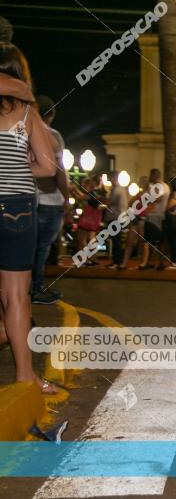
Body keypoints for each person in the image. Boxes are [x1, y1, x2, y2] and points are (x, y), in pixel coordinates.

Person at [0, 44, 59, 394]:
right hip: (17, 206)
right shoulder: (26, 111)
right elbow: (49, 166)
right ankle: (25, 375)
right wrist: (21, 169)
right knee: (17, 296)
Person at [31, 95, 69, 304]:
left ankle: (26, 287)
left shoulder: (24, 133)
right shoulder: (52, 135)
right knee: (42, 248)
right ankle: (36, 288)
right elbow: (58, 171)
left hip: (28, 198)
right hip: (49, 201)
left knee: (29, 247)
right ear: (51, 115)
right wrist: (67, 197)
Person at [139, 168, 170, 270]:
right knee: (153, 241)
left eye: (151, 175)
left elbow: (158, 198)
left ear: (155, 176)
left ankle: (152, 261)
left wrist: (148, 198)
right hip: (156, 215)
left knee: (150, 241)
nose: (150, 178)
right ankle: (152, 261)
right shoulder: (163, 186)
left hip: (156, 216)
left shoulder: (160, 187)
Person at [121, 177, 149, 269]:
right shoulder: (138, 194)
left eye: (143, 182)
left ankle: (143, 262)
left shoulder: (148, 194)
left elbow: (145, 206)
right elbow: (130, 203)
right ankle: (124, 263)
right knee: (129, 241)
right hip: (135, 218)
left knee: (143, 241)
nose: (141, 183)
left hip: (142, 218)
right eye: (140, 181)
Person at [104, 171, 130, 270]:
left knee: (116, 240)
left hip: (115, 217)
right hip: (119, 217)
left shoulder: (116, 190)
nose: (110, 181)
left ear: (114, 178)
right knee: (116, 240)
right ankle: (116, 261)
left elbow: (109, 202)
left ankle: (117, 261)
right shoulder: (121, 189)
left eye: (111, 178)